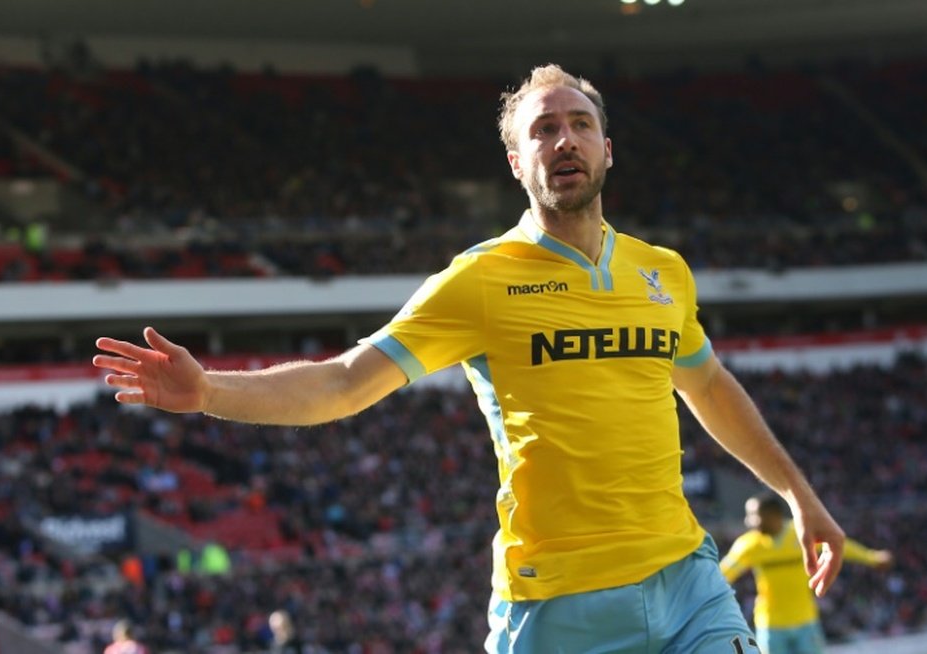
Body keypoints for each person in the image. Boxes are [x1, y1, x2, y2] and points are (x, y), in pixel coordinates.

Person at [93, 64, 846, 653]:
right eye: (543, 130)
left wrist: (799, 496)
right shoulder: (480, 280)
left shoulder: (664, 273)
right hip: (556, 606)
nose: (564, 141)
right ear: (517, 160)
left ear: (607, 148)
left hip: (688, 583)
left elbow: (708, 386)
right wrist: (208, 393)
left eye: (580, 125)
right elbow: (348, 383)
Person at [721, 493, 893, 654]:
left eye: (754, 515)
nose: (749, 521)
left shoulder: (800, 534)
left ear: (773, 514)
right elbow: (724, 573)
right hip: (771, 624)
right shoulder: (750, 545)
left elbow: (838, 546)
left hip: (806, 621)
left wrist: (871, 557)